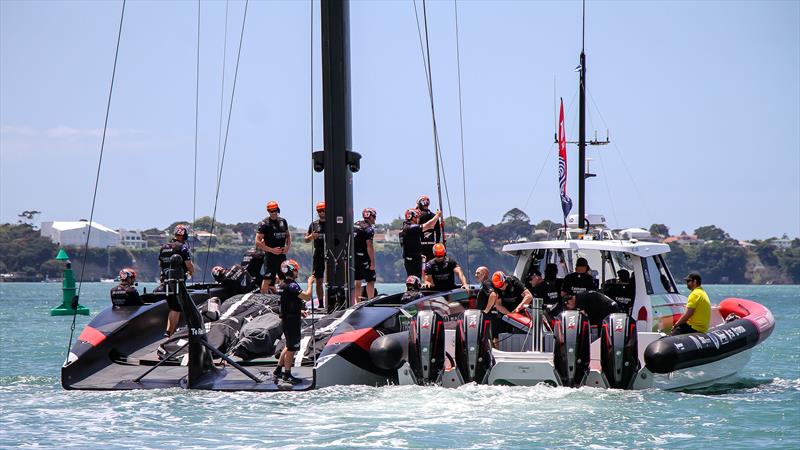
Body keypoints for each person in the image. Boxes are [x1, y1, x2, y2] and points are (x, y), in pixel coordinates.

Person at [273, 259, 314, 384]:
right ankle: (287, 374)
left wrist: (299, 311)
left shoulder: (283, 284)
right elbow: (306, 296)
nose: (297, 272)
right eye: (296, 270)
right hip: (291, 321)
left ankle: (278, 369)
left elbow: (287, 302)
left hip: (288, 318)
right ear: (292, 271)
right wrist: (310, 283)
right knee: (292, 348)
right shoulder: (292, 285)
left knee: (288, 345)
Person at [159, 224, 194, 337]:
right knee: (177, 308)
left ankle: (169, 332)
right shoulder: (182, 247)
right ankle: (170, 333)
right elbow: (189, 266)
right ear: (184, 236)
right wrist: (191, 272)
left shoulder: (164, 246)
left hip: (165, 281)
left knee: (173, 306)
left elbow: (160, 264)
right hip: (178, 283)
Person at [256, 200, 291, 294]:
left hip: (282, 256)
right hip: (270, 256)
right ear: (268, 211)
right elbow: (258, 243)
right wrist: (272, 250)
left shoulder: (283, 221)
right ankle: (264, 302)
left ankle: (284, 300)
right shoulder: (264, 224)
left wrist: (288, 246)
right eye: (271, 211)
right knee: (267, 280)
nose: (274, 213)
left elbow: (288, 235)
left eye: (275, 210)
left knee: (285, 278)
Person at [400, 208, 442, 277]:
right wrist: (437, 216)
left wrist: (418, 254)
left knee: (415, 280)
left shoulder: (404, 228)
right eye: (417, 217)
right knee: (415, 280)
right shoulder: (410, 228)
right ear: (412, 217)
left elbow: (411, 244)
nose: (418, 219)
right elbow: (429, 226)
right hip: (413, 262)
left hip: (410, 260)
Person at [353, 207, 377, 303]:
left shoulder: (355, 224)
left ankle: (357, 303)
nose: (375, 219)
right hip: (364, 258)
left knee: (357, 280)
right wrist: (372, 262)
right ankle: (371, 301)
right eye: (374, 217)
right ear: (371, 217)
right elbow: (369, 246)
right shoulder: (369, 229)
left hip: (354, 258)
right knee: (370, 280)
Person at [305, 201, 326, 308]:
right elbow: (306, 239)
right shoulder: (314, 224)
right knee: (318, 280)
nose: (322, 213)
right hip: (318, 252)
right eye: (319, 211)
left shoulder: (332, 223)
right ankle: (321, 304)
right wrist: (311, 236)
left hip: (331, 252)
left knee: (334, 279)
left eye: (323, 210)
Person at [474, 266, 499, 348]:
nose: (475, 275)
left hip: (489, 316)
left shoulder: (486, 283)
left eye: (478, 273)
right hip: (492, 315)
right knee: (493, 337)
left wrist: (486, 310)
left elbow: (493, 295)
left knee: (490, 337)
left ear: (484, 274)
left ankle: (492, 355)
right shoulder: (487, 283)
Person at [416, 195, 441, 261]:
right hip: (432, 246)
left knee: (422, 268)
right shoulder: (435, 216)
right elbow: (438, 232)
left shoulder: (419, 216)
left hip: (421, 246)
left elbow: (416, 230)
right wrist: (437, 244)